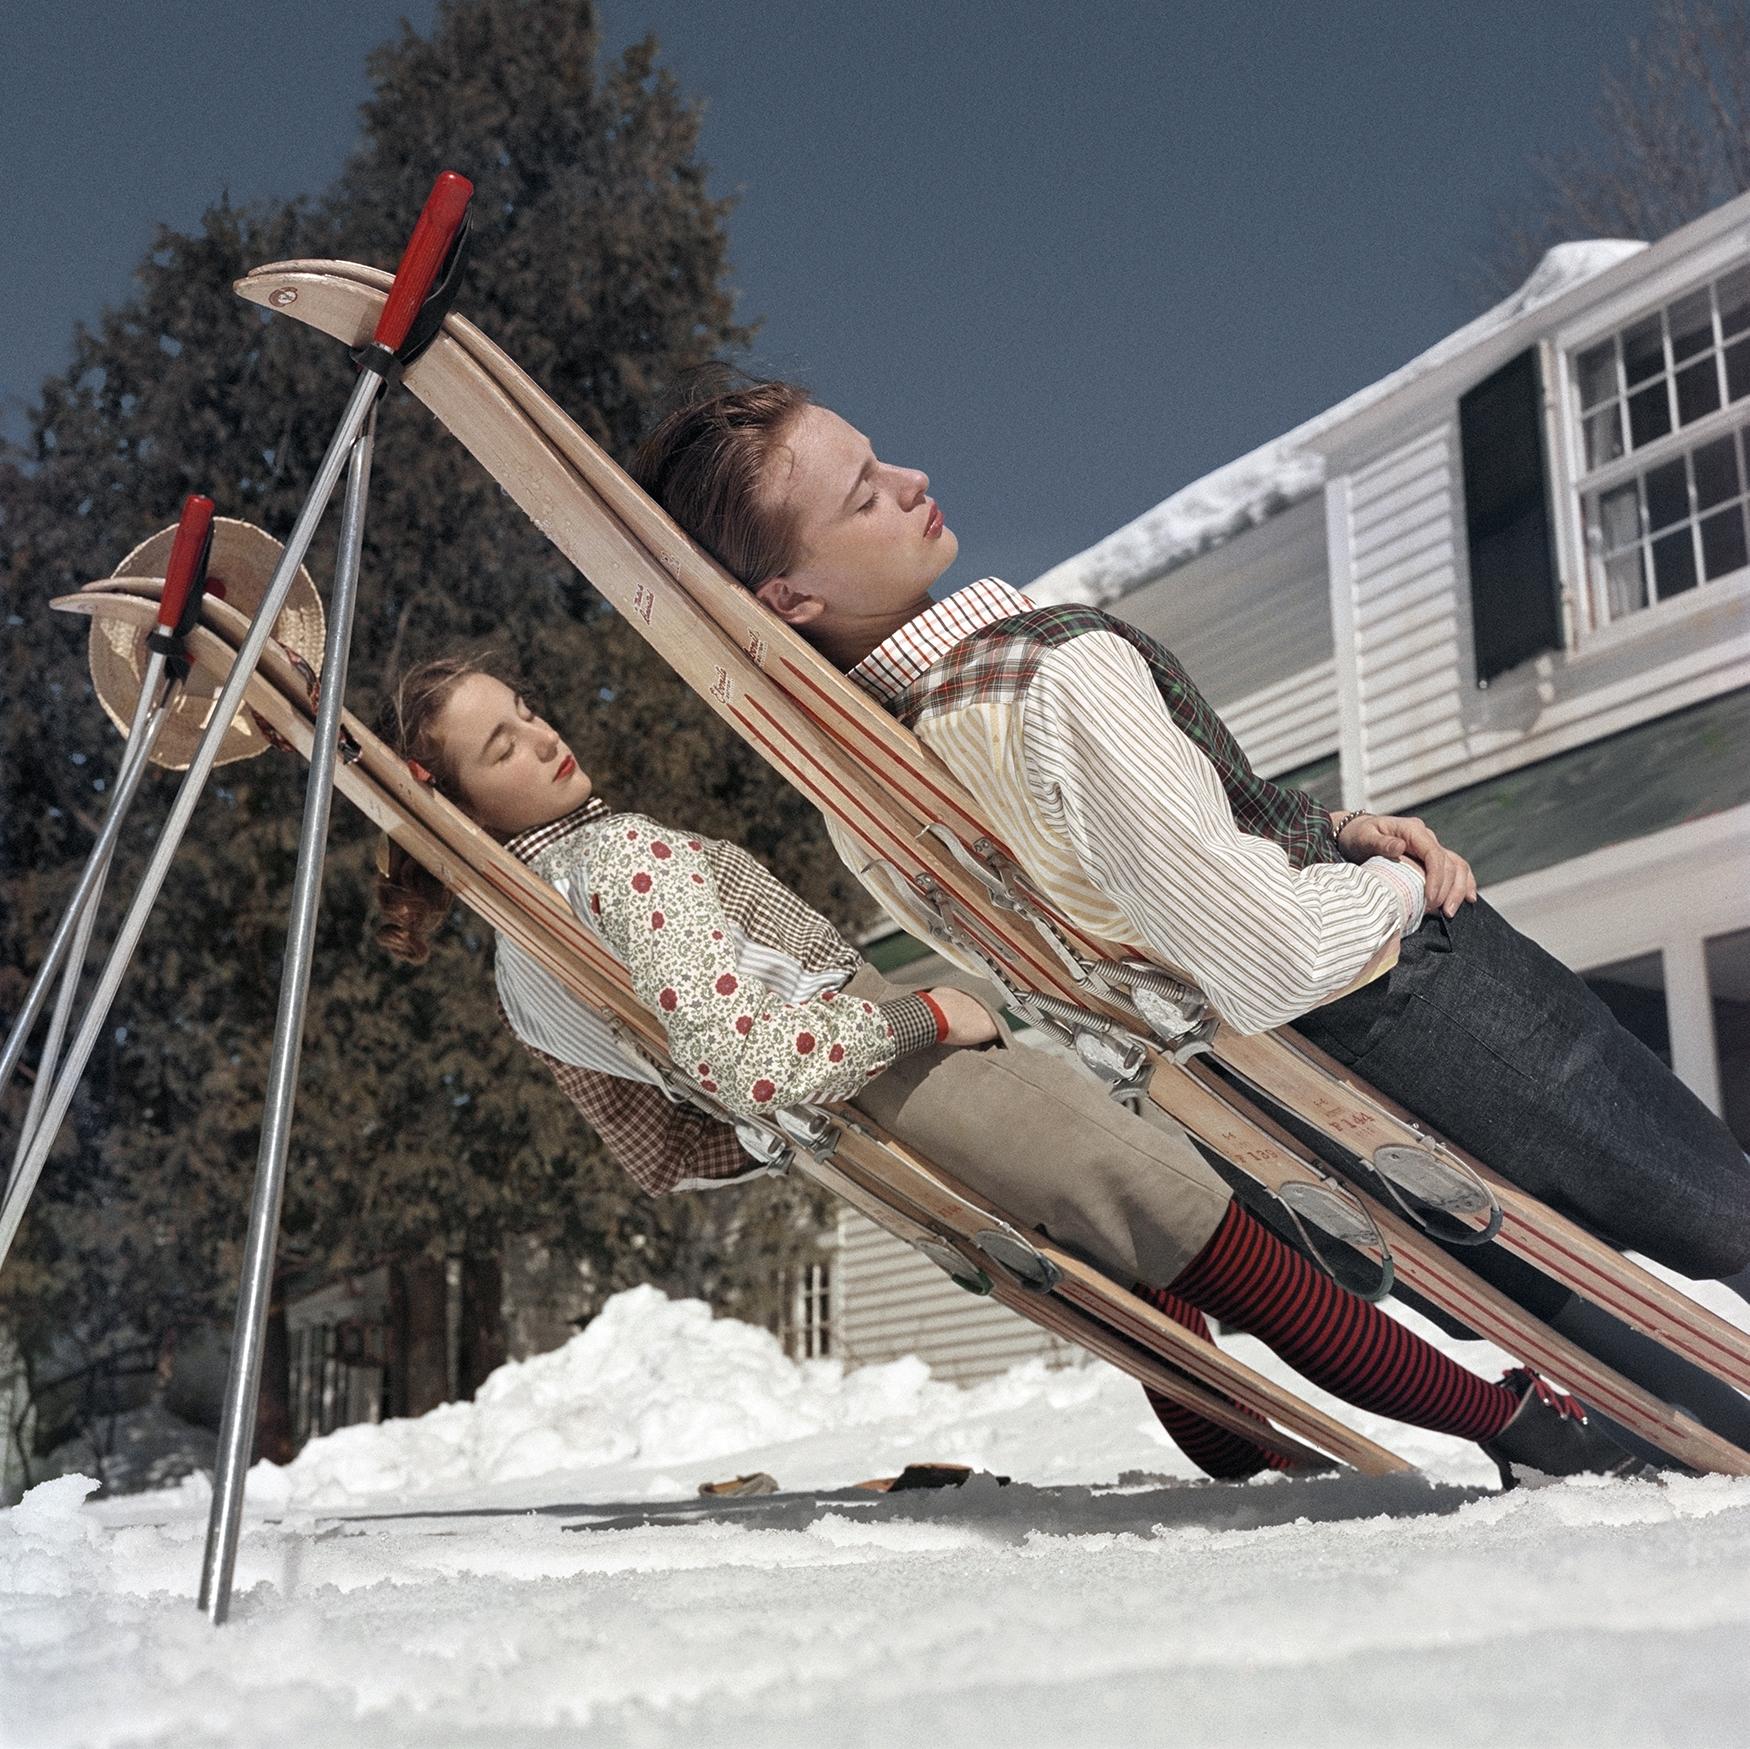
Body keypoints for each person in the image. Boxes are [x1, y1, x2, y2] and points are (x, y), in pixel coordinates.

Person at [629, 371, 1750, 1450]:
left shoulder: (868, 791)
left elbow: (1128, 907)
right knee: (1710, 1211)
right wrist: (1401, 887)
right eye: (865, 493)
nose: (914, 480)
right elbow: (1278, 952)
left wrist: (1328, 832)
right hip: (1405, 1006)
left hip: (1273, 1108)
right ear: (789, 597)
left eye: (881, 461)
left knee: (1570, 1323)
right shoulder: (1045, 680)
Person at [371, 656, 1628, 1486]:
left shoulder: (519, 966)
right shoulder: (622, 862)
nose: (539, 737)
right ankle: (1512, 1427)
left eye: (525, 710)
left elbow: (656, 1150)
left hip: (869, 1135)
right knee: (1225, 1247)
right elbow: (753, 1056)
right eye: (499, 745)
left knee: (1145, 1276)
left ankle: (1236, 1447)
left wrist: (780, 1135)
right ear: (457, 799)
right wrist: (923, 1016)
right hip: (913, 1073)